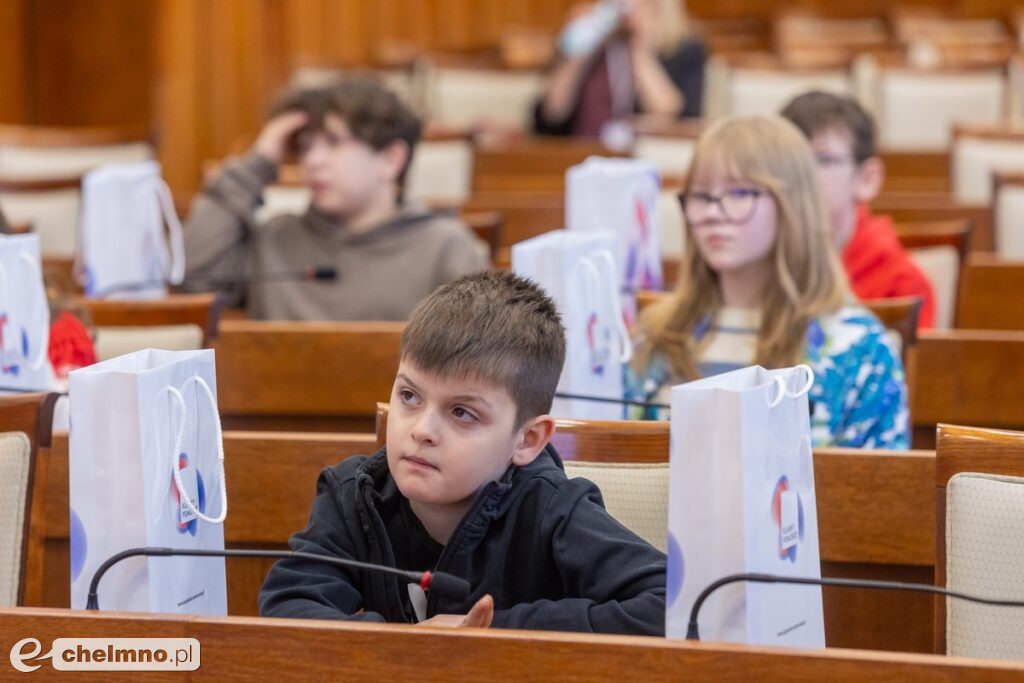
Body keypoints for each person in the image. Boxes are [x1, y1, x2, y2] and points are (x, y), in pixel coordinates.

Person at [260, 271, 666, 633]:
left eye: (462, 413)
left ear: (527, 441)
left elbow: (668, 604)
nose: (422, 430)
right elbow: (289, 603)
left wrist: (493, 633)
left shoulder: (553, 510)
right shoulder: (354, 492)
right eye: (409, 396)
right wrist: (401, 644)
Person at [625, 116, 909, 450]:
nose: (714, 212)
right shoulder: (653, 336)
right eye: (701, 196)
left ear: (792, 204)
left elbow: (875, 496)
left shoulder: (859, 350)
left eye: (739, 192)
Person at [183, 77, 487, 321]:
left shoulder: (444, 246)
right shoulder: (276, 237)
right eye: (305, 147)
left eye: (332, 142)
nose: (313, 161)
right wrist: (258, 162)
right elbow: (193, 279)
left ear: (390, 160)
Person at [781, 91, 936, 329]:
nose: (802, 174)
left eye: (822, 160)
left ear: (867, 179)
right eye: (790, 160)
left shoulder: (901, 283)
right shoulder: (755, 265)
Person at [533, 0, 704, 143]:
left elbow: (672, 116)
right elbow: (553, 113)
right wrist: (582, 46)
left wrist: (640, 51)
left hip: (645, 156)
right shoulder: (589, 44)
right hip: (581, 153)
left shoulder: (684, 50)